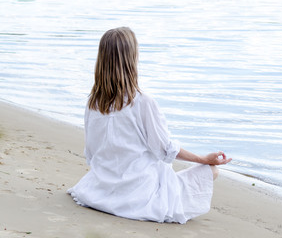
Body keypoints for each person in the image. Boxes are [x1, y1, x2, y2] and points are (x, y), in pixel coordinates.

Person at [67, 27, 232, 224]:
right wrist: (202, 159)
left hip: (100, 189)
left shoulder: (93, 102)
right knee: (211, 171)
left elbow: (91, 154)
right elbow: (165, 149)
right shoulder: (143, 102)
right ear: (132, 59)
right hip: (139, 195)